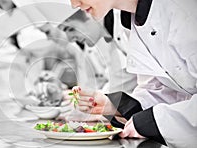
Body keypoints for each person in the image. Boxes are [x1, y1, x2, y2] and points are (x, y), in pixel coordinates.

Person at [67, 0, 197, 147]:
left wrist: (152, 121)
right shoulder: (130, 22)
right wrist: (119, 105)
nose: (73, 5)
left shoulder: (185, 10)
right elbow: (162, 88)